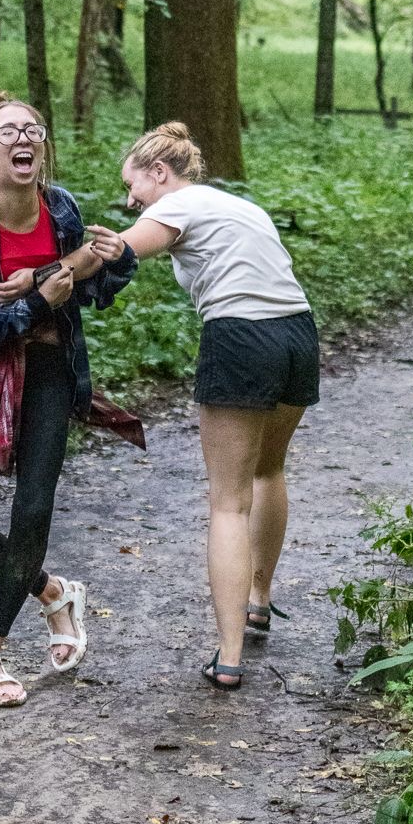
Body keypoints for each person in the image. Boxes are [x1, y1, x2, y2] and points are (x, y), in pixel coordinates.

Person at [0, 92, 138, 707]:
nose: (24, 139)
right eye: (8, 131)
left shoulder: (61, 210)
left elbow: (88, 288)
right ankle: (53, 592)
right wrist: (37, 303)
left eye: (33, 130)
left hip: (48, 372)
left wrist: (114, 262)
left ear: (42, 146)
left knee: (33, 509)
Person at [88, 123, 318, 690]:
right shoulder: (241, 207)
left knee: (227, 504)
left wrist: (72, 266)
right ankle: (259, 600)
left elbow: (127, 249)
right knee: (268, 469)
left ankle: (230, 654)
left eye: (132, 187)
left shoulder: (180, 202)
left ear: (159, 173)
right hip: (298, 336)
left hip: (241, 338)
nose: (131, 201)